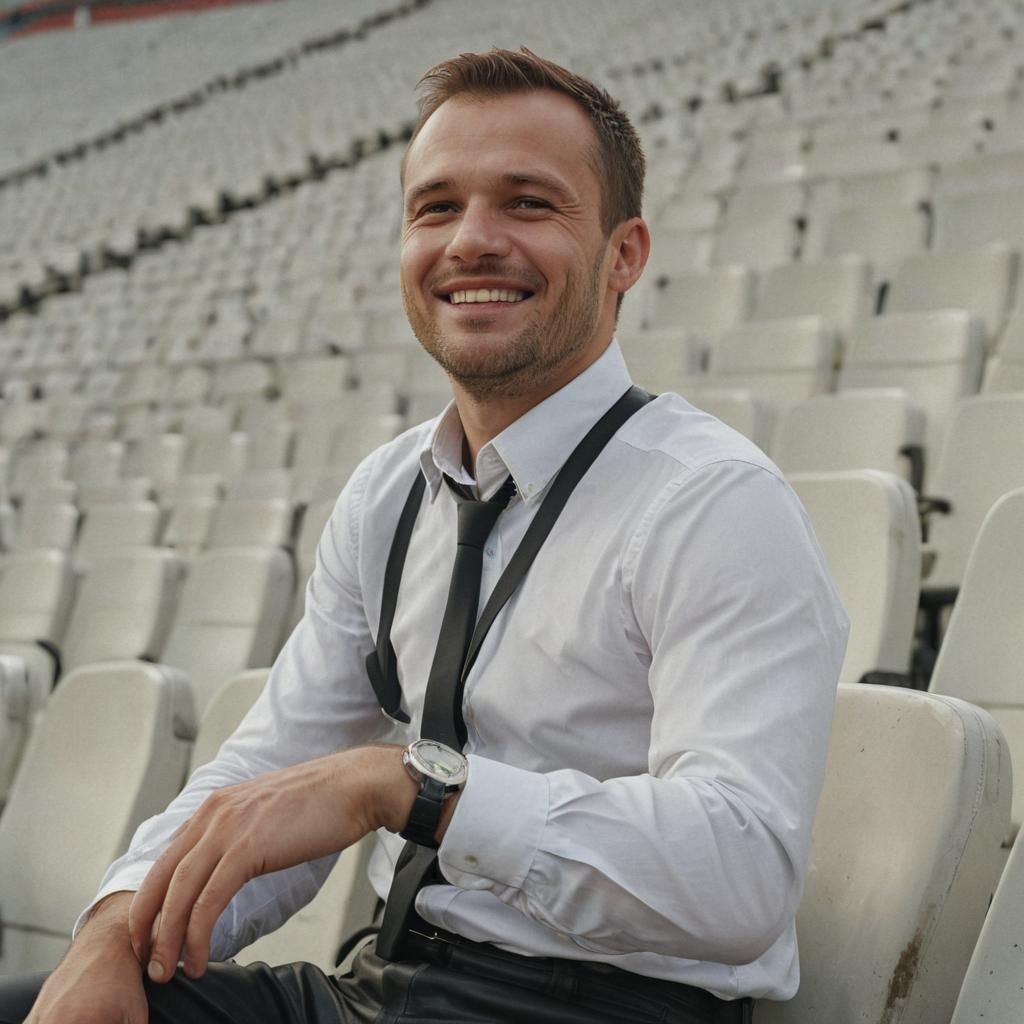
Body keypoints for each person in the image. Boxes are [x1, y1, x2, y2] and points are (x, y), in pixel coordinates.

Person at [1, 48, 848, 1024]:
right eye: (435, 208)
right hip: (388, 986)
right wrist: (115, 935)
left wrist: (413, 786)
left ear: (625, 254)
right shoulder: (388, 492)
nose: (471, 241)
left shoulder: (714, 501)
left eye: (528, 204)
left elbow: (738, 876)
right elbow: (263, 773)